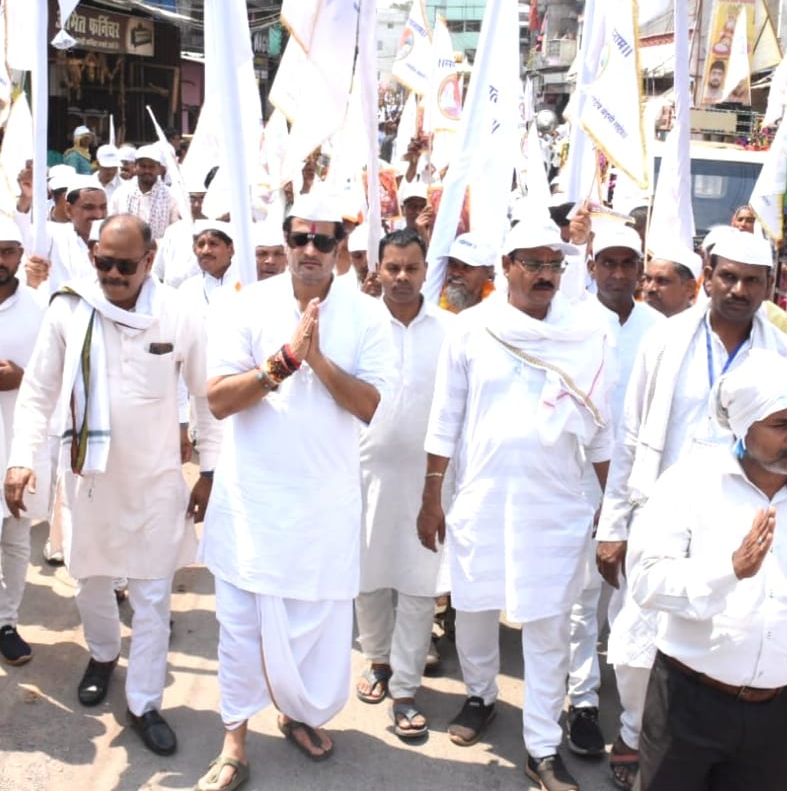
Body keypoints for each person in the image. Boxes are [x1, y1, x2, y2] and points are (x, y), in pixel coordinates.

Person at [197, 191, 394, 791]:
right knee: (239, 629)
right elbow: (218, 400)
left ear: (340, 249)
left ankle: (297, 712)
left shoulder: (368, 316)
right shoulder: (246, 304)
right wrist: (278, 365)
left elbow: (370, 405)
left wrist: (317, 360)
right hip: (253, 505)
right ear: (284, 242)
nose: (310, 250)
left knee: (314, 626)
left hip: (322, 508)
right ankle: (235, 740)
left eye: (323, 240)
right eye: (299, 238)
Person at [4, 215, 218, 756]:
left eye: (126, 265)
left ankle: (145, 701)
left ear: (149, 261)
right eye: (104, 263)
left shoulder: (180, 312)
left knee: (151, 594)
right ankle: (102, 653)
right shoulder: (71, 307)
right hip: (88, 480)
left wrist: (211, 470)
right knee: (90, 582)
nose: (113, 275)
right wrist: (22, 459)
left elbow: (205, 398)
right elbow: (38, 391)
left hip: (155, 482)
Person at [628, 353, 787, 791]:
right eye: (782, 425)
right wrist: (729, 570)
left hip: (777, 708)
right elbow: (647, 582)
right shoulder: (691, 481)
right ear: (744, 428)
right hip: (687, 702)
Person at [418, 217, 614, 791]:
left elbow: (602, 431)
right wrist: (433, 495)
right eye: (533, 263)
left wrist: (612, 509)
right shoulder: (471, 329)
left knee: (548, 624)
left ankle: (542, 747)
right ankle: (480, 696)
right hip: (481, 494)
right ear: (505, 267)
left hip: (556, 504)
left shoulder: (587, 335)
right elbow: (445, 417)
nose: (546, 275)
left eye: (554, 264)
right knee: (474, 606)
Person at [597, 228, 787, 790]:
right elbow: (630, 435)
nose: (737, 289)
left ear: (768, 287)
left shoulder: (784, 354)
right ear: (706, 276)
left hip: (740, 520)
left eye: (752, 280)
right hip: (662, 512)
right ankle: (636, 729)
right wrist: (614, 526)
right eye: (727, 276)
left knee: (716, 637)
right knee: (637, 644)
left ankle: (690, 749)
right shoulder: (667, 340)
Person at [563, 224, 663, 759]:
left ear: (640, 269)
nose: (619, 274)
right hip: (580, 482)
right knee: (582, 600)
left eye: (629, 263)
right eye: (608, 263)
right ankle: (581, 702)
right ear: (591, 266)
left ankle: (632, 718)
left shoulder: (661, 329)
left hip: (639, 488)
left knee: (631, 601)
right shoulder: (571, 323)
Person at [355, 228, 451, 739]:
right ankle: (376, 660)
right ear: (379, 268)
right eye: (393, 267)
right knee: (368, 576)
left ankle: (407, 687)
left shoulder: (450, 330)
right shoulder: (358, 324)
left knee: (418, 584)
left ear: (425, 269)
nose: (401, 278)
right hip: (364, 471)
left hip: (427, 479)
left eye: (411, 268)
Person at [0, 219, 45, 666]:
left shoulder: (38, 308)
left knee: (15, 538)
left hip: (16, 442)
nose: (0, 260)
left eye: (7, 250)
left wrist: (21, 378)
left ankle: (6, 622)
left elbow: (55, 380)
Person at [24, 177, 109, 294]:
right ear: (69, 209)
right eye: (89, 207)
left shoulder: (115, 242)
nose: (98, 214)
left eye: (103, 207)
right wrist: (24, 200)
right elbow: (22, 235)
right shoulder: (53, 233)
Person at [112, 143, 179, 243]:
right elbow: (111, 224)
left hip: (159, 254)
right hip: (126, 251)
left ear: (160, 169)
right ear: (135, 167)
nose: (147, 170)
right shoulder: (121, 193)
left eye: (151, 167)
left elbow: (176, 231)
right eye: (143, 166)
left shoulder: (171, 196)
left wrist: (155, 244)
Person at [154, 184, 208, 287]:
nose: (197, 204)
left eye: (202, 198)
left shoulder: (218, 231)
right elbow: (159, 273)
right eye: (192, 198)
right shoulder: (172, 231)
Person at [440, 232, 496, 313]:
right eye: (452, 264)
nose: (456, 273)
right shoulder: (433, 300)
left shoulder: (497, 314)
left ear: (488, 272)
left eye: (467, 266)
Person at [642, 246, 700, 318]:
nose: (650, 288)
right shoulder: (632, 323)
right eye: (647, 279)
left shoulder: (702, 327)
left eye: (662, 281)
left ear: (689, 287)